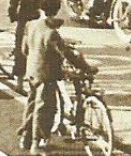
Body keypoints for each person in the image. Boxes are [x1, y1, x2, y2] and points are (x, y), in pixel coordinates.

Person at [18, 15, 97, 153]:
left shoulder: (32, 24)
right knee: (45, 108)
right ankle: (36, 143)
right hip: (46, 75)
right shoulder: (52, 34)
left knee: (31, 104)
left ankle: (26, 137)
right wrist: (86, 67)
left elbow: (24, 49)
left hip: (31, 71)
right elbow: (67, 54)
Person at [7, 0, 61, 93]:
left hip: (25, 20)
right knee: (43, 51)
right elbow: (56, 3)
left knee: (20, 51)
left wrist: (13, 16)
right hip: (43, 21)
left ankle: (19, 83)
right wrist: (51, 14)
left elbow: (13, 3)